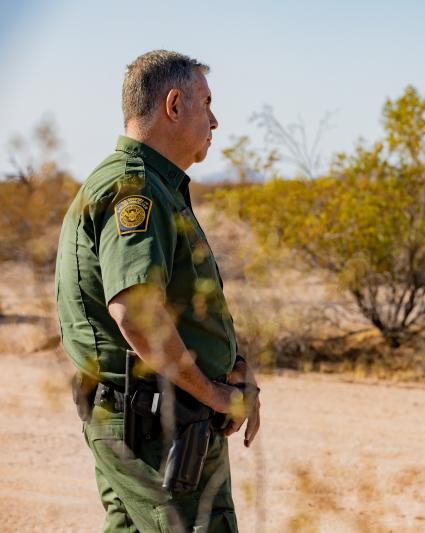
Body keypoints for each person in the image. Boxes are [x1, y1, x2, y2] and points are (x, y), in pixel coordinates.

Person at [55, 50, 260, 532]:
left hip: (159, 418)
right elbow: (136, 312)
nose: (215, 120)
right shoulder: (137, 190)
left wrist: (236, 370)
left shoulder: (152, 185)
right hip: (157, 426)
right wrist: (211, 392)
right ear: (173, 105)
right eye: (205, 103)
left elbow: (183, 308)